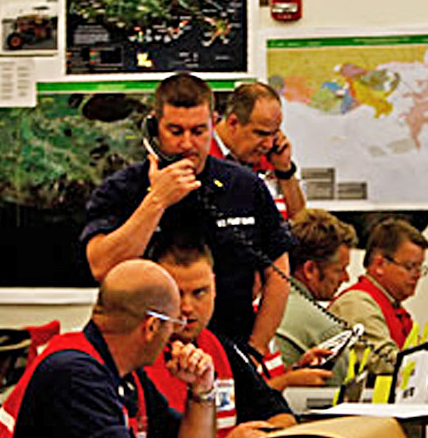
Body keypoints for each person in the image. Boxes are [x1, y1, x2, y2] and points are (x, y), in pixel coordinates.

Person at [80, 72, 293, 356]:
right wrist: (156, 201)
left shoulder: (244, 185)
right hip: (144, 355)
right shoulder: (122, 189)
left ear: (213, 124)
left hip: (230, 347)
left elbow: (278, 270)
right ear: (154, 129)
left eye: (198, 131)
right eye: (176, 131)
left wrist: (256, 347)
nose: (187, 144)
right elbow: (102, 266)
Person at [0, 260, 215, 438]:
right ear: (152, 327)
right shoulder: (73, 374)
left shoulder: (127, 374)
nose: (173, 338)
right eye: (173, 326)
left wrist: (201, 391)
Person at [145, 239, 303, 438]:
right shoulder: (139, 358)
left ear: (215, 288)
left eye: (199, 292)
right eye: (177, 294)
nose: (187, 307)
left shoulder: (219, 346)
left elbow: (279, 413)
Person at [329, 217, 428, 382]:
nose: (417, 276)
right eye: (409, 267)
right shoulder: (357, 304)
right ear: (379, 264)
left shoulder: (393, 308)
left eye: (420, 268)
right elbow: (385, 362)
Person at [275, 209, 358, 385]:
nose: (346, 278)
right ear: (310, 269)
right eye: (339, 270)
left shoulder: (269, 301)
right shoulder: (327, 330)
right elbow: (340, 391)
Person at [211, 81, 305, 219]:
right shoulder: (201, 154)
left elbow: (301, 224)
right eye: (261, 134)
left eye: (274, 133)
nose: (268, 144)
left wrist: (285, 171)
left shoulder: (269, 157)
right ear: (233, 123)